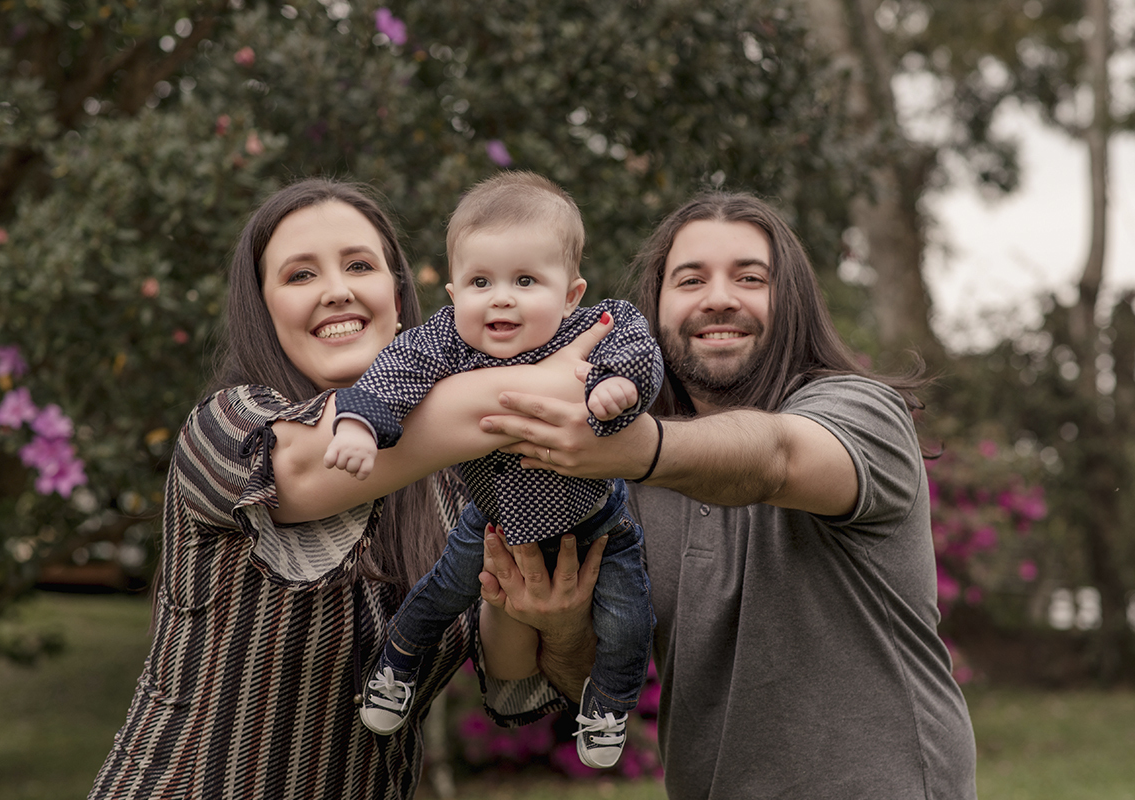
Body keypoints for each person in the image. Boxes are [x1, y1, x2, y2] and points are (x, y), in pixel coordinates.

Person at [88, 178, 608, 800]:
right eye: (300, 275)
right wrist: (549, 372)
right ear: (264, 306)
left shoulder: (463, 477)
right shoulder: (227, 429)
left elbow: (510, 668)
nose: (337, 291)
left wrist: (548, 614)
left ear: (396, 293)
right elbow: (310, 470)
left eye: (359, 265)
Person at [477, 191, 979, 799]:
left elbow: (778, 457)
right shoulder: (622, 482)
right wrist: (559, 629)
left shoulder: (860, 411)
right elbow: (587, 675)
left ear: (789, 302)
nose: (719, 297)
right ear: (653, 309)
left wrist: (638, 449)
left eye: (749, 277)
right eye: (690, 280)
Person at [325, 172, 663, 769]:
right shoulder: (447, 343)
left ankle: (609, 705)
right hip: (494, 520)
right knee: (440, 593)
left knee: (629, 618)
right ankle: (397, 662)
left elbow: (637, 346)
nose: (500, 297)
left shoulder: (595, 328)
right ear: (454, 292)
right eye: (481, 282)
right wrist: (358, 423)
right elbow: (393, 371)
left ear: (570, 294)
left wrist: (620, 385)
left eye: (525, 280)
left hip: (598, 521)